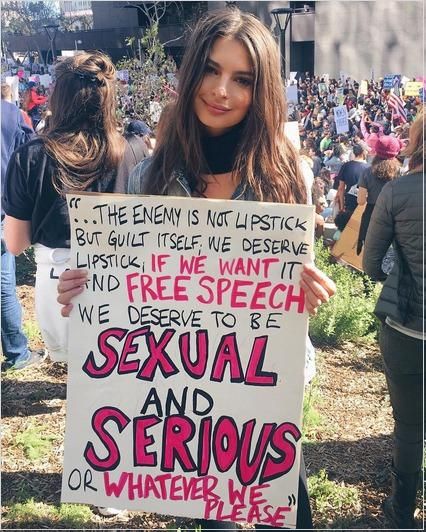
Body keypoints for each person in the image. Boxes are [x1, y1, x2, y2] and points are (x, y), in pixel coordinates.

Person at [56, 10, 335, 529]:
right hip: (182, 389)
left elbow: (297, 282)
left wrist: (310, 289)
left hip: (262, 377)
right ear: (190, 74)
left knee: (285, 505)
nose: (222, 90)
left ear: (262, 90)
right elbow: (129, 283)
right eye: (210, 69)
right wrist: (87, 289)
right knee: (213, 518)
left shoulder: (287, 175)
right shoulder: (150, 175)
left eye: (242, 78)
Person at [3, 52, 142, 366]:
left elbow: (15, 242)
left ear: (58, 96)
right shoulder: (132, 151)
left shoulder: (31, 156)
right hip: (122, 280)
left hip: (56, 279)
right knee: (120, 368)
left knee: (73, 373)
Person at [363, 110, 424, 529]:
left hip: (406, 328)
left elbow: (370, 263)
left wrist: (399, 271)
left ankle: (402, 511)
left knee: (409, 427)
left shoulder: (397, 191)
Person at [1, 89, 38, 370]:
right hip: (2, 209)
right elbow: (31, 155)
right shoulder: (11, 115)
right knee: (3, 286)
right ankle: (17, 352)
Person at [356, 135, 402, 254]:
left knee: (372, 252)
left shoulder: (367, 172)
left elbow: (361, 201)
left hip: (372, 213)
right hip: (395, 215)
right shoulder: (401, 173)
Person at [336, 143, 369, 213]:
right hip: (364, 202)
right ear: (363, 152)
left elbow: (341, 188)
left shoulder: (346, 166)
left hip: (349, 201)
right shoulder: (368, 168)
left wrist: (342, 206)